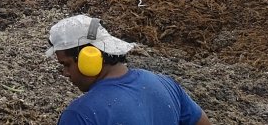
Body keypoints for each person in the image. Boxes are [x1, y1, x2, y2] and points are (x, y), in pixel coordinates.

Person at [47, 14, 211, 125]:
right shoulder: (165, 84)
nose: (65, 73)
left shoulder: (81, 115)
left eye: (66, 64)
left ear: (89, 57)